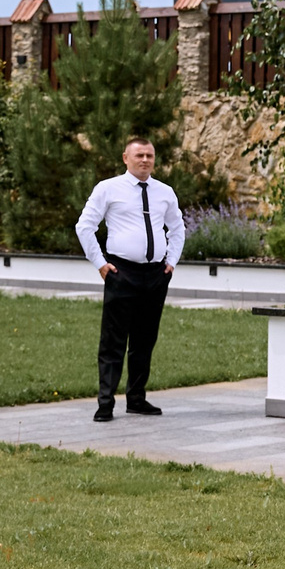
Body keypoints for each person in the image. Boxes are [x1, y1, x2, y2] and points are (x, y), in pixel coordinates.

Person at [74, 137, 183, 422]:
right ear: (126, 158)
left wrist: (171, 261)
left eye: (149, 155)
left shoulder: (164, 192)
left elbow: (177, 228)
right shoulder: (108, 189)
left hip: (156, 275)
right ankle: (105, 403)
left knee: (144, 340)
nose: (145, 160)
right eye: (139, 155)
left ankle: (136, 398)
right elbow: (84, 226)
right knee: (113, 342)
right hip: (121, 273)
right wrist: (100, 264)